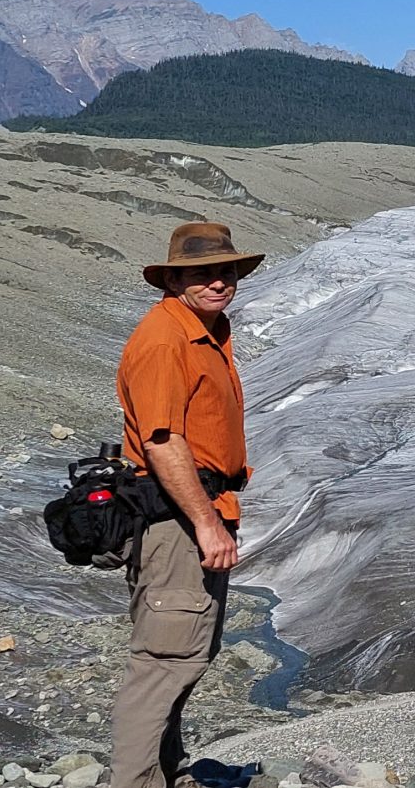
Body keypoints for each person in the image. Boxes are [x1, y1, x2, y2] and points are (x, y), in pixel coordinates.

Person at [111, 222, 262, 788]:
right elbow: (162, 440)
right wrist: (205, 523)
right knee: (164, 659)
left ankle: (165, 772)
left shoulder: (204, 332)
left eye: (226, 271)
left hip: (195, 509)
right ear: (172, 278)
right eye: (202, 272)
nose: (218, 282)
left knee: (185, 650)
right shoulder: (165, 340)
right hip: (178, 517)